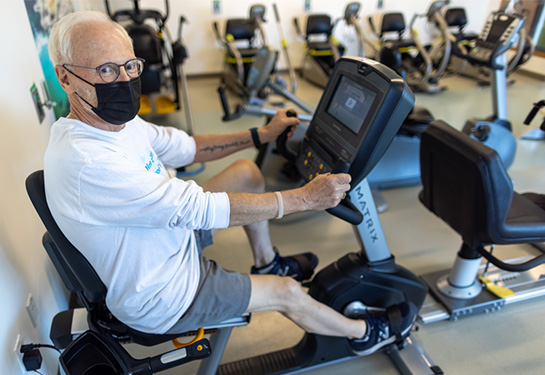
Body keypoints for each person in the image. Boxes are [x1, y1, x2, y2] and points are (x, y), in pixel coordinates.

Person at [44, 10, 417, 356]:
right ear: (64, 77)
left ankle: (266, 262)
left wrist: (261, 134)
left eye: (130, 66)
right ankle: (363, 333)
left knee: (248, 173)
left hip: (168, 241)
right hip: (164, 293)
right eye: (106, 71)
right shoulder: (88, 160)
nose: (124, 80)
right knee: (287, 293)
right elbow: (198, 208)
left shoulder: (115, 125)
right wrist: (304, 199)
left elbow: (187, 148)